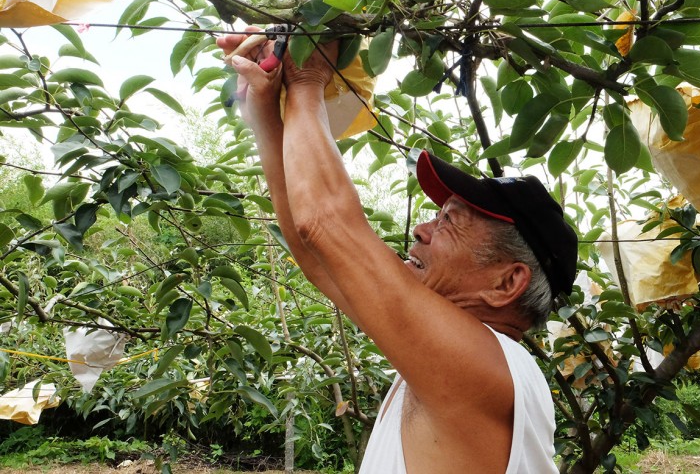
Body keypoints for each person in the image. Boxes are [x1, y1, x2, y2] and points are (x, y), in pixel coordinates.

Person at [216, 29, 578, 473]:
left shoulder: (486, 367)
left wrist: (307, 82)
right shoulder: (450, 360)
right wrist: (266, 114)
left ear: (507, 282)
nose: (422, 230)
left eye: (449, 222)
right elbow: (316, 256)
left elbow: (326, 225)